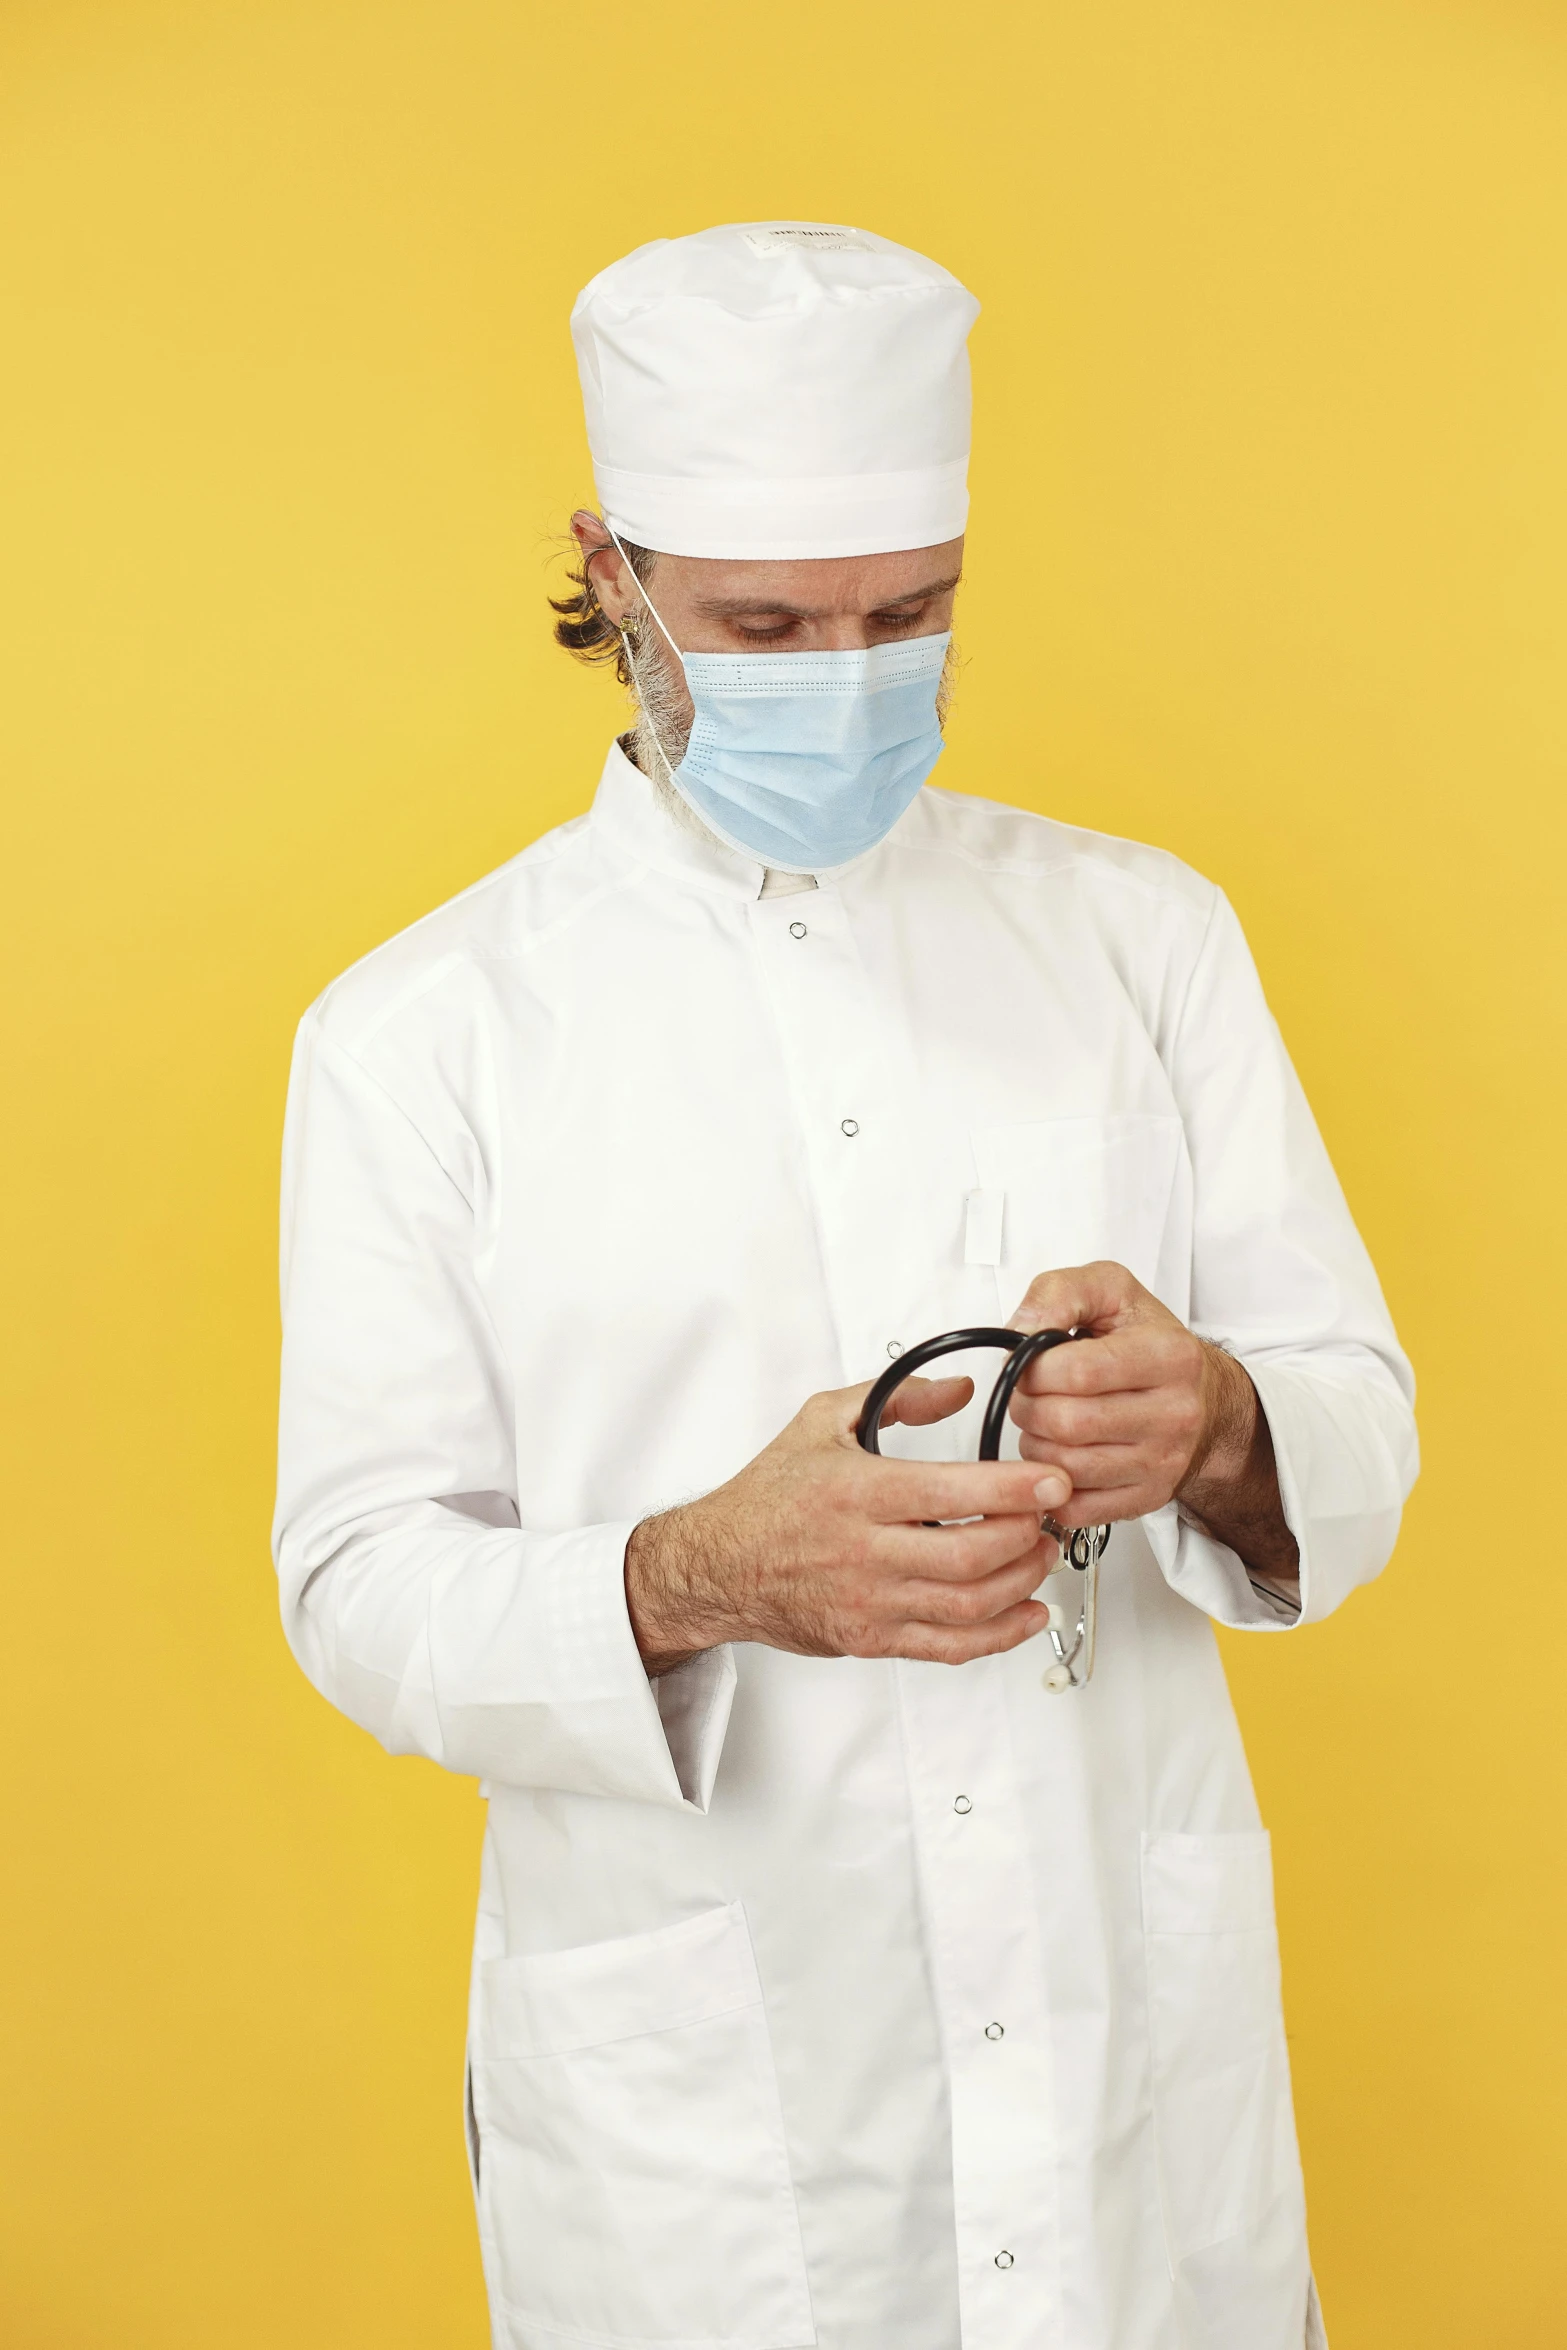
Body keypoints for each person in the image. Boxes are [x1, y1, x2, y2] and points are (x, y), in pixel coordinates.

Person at [272, 222, 1416, 2350]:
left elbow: (1355, 1413)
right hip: (710, 2121)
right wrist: (700, 1568)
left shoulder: (1139, 936)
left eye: (909, 611)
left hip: (1121, 2071)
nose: (848, 666)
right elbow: (353, 1577)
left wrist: (1225, 1421)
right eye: (768, 621)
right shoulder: (425, 1031)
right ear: (617, 575)